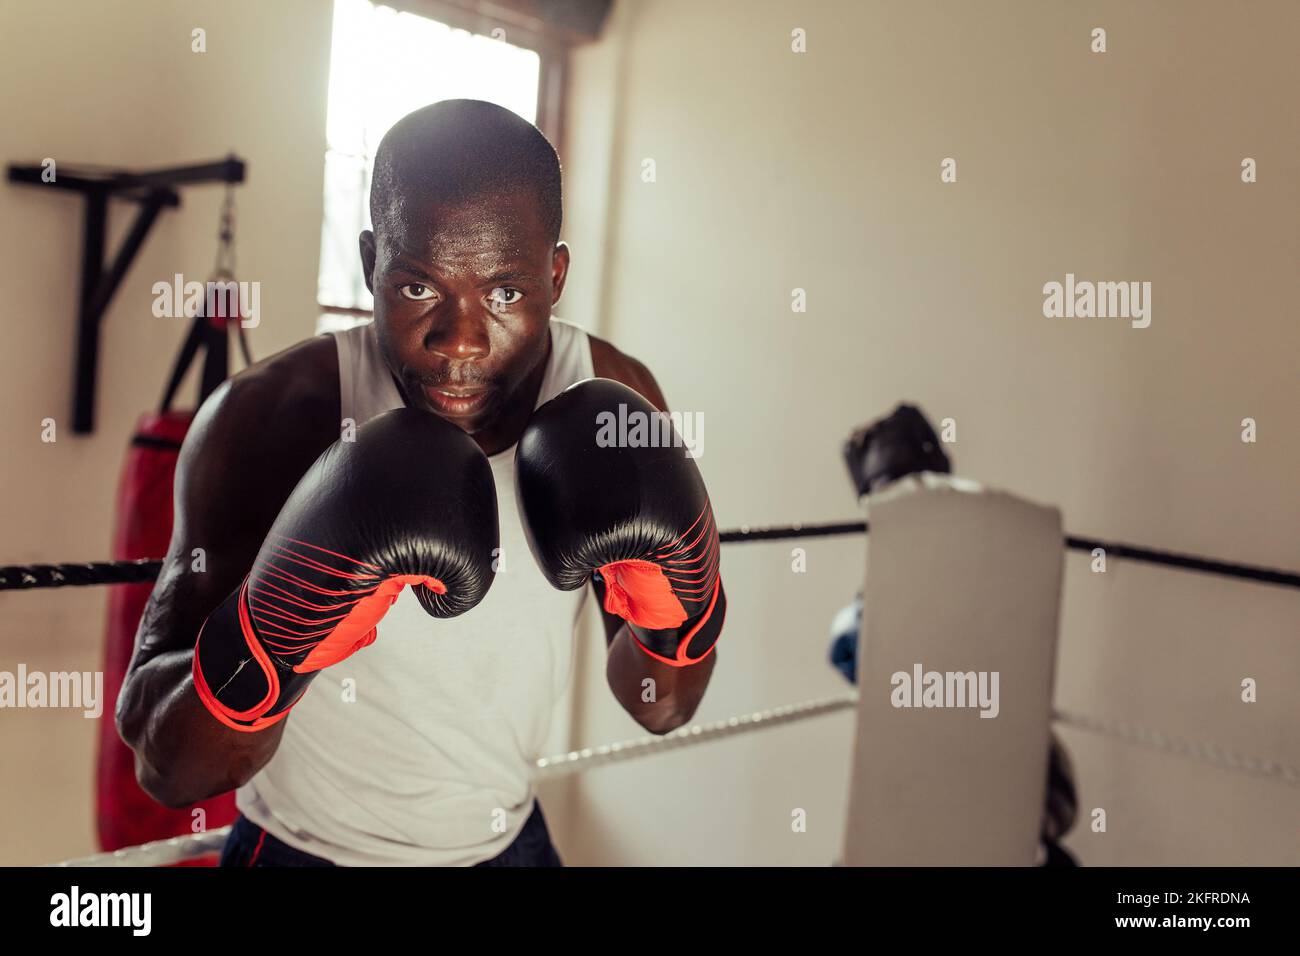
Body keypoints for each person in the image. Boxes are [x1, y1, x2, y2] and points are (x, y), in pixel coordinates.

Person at [115, 100, 725, 867]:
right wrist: (270, 640)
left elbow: (660, 706)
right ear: (372, 261)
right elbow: (168, 769)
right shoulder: (273, 415)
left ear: (556, 274)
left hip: (508, 842)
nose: (460, 340)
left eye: (505, 292)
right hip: (300, 850)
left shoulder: (609, 398)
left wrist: (682, 609)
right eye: (417, 287)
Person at [831, 403, 1079, 866]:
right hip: (913, 763)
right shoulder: (875, 602)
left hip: (997, 753)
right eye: (887, 497)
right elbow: (850, 652)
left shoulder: (994, 549)